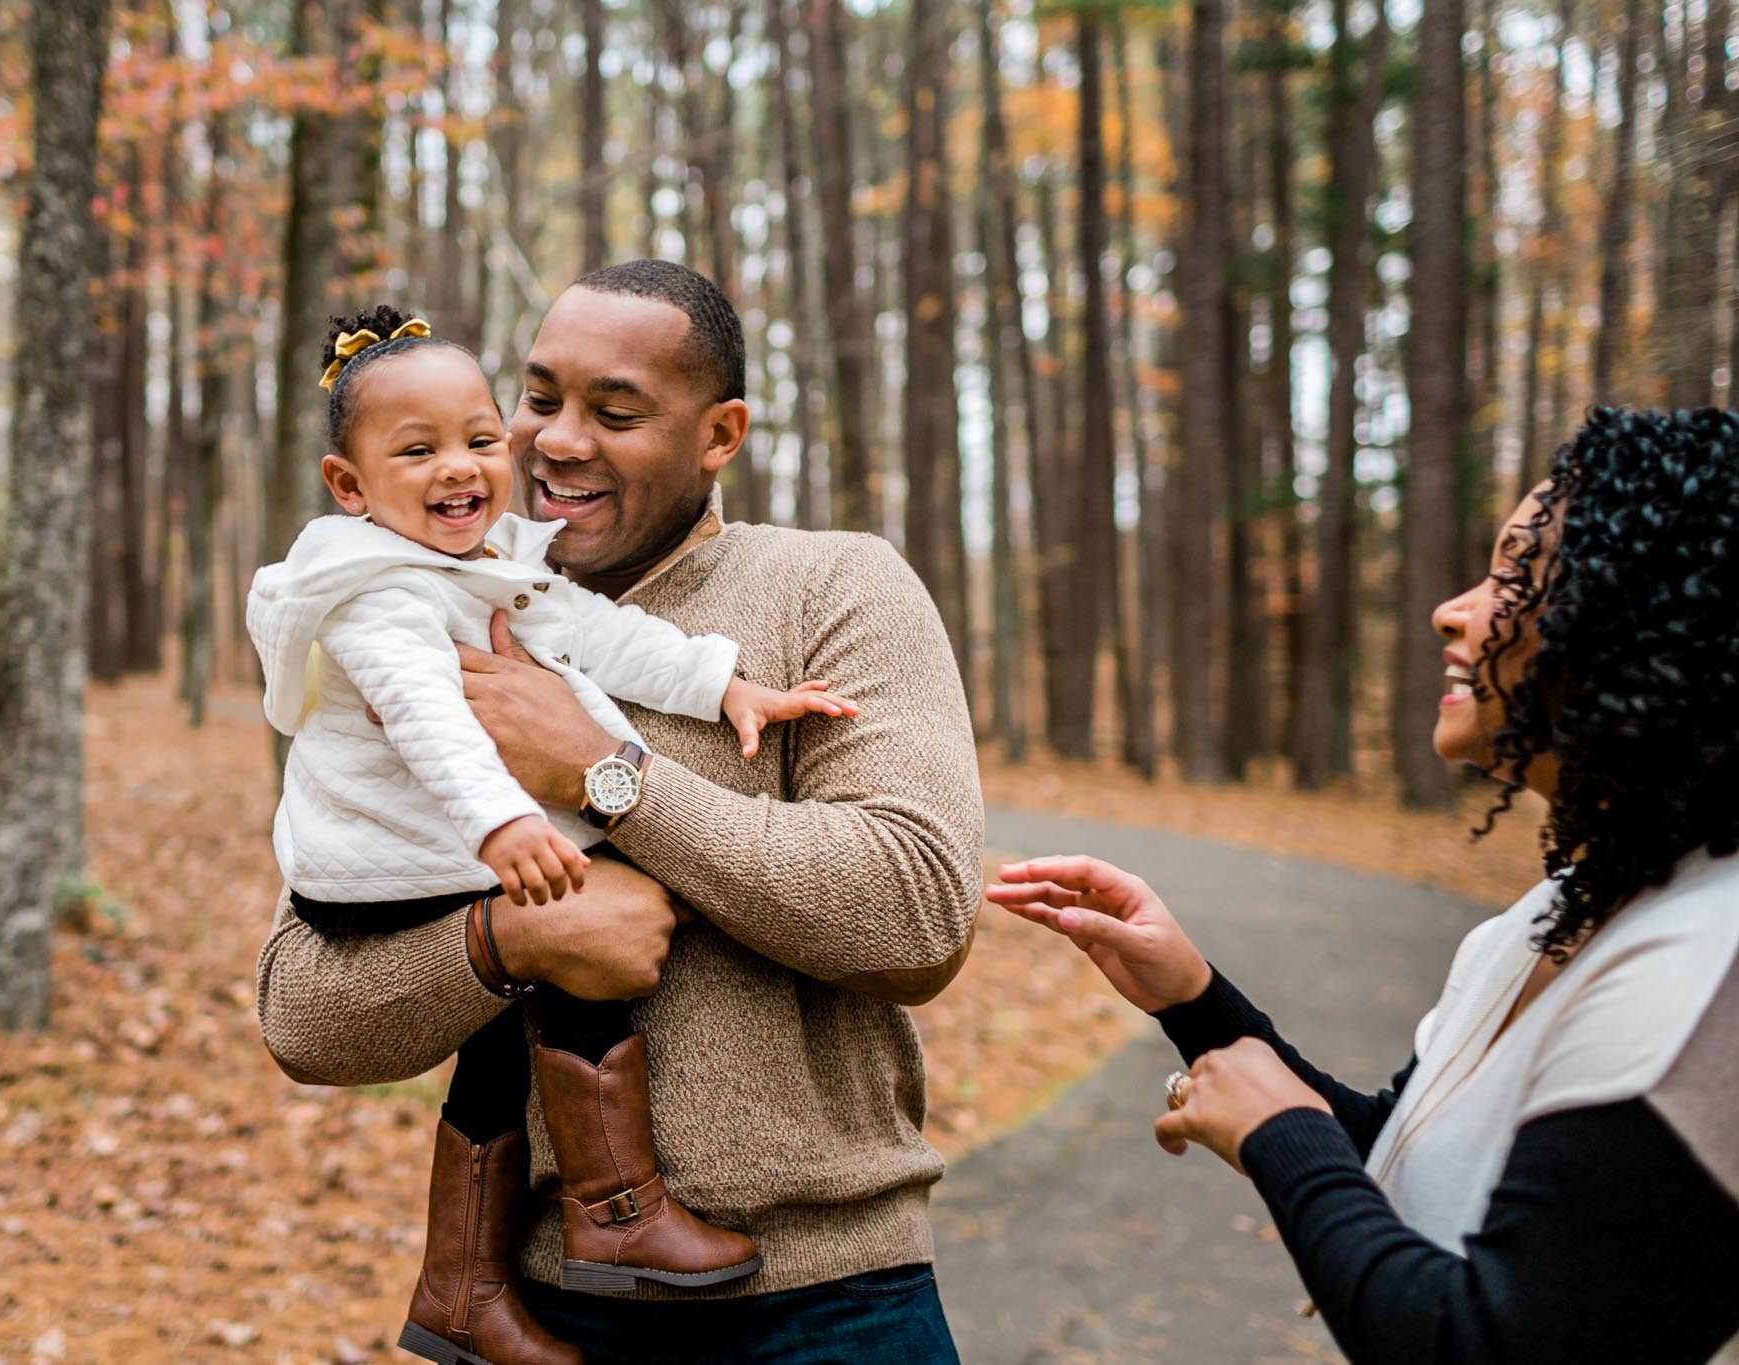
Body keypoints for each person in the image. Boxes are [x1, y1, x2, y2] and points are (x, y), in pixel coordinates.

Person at [253, 261, 984, 1365]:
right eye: (538, 399)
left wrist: (607, 775)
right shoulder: (422, 602)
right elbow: (304, 1016)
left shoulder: (831, 588)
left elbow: (913, 914)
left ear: (718, 432)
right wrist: (512, 937)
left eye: (616, 411)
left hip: (827, 1300)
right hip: (541, 1315)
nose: (555, 442)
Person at [990, 406, 1739, 1364]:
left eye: (1516, 573)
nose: (1453, 608)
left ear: (1651, 621)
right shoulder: (1553, 916)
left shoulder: (1711, 971)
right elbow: (1403, 1152)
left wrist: (1279, 1132)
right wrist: (1196, 1000)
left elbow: (1486, 1342)